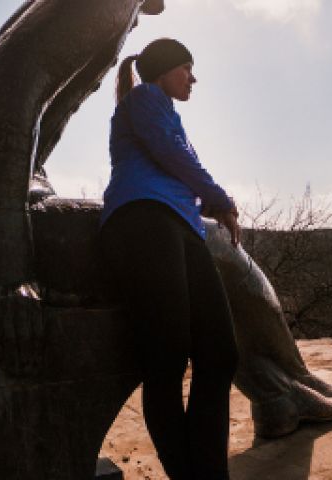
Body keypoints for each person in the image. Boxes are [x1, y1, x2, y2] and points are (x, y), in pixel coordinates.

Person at [99, 38, 240, 480]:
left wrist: (209, 203)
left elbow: (176, 168)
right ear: (164, 71)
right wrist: (221, 198)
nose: (193, 79)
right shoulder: (145, 98)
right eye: (186, 69)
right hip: (143, 219)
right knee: (168, 358)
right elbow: (168, 153)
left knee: (220, 352)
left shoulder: (165, 111)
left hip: (180, 226)